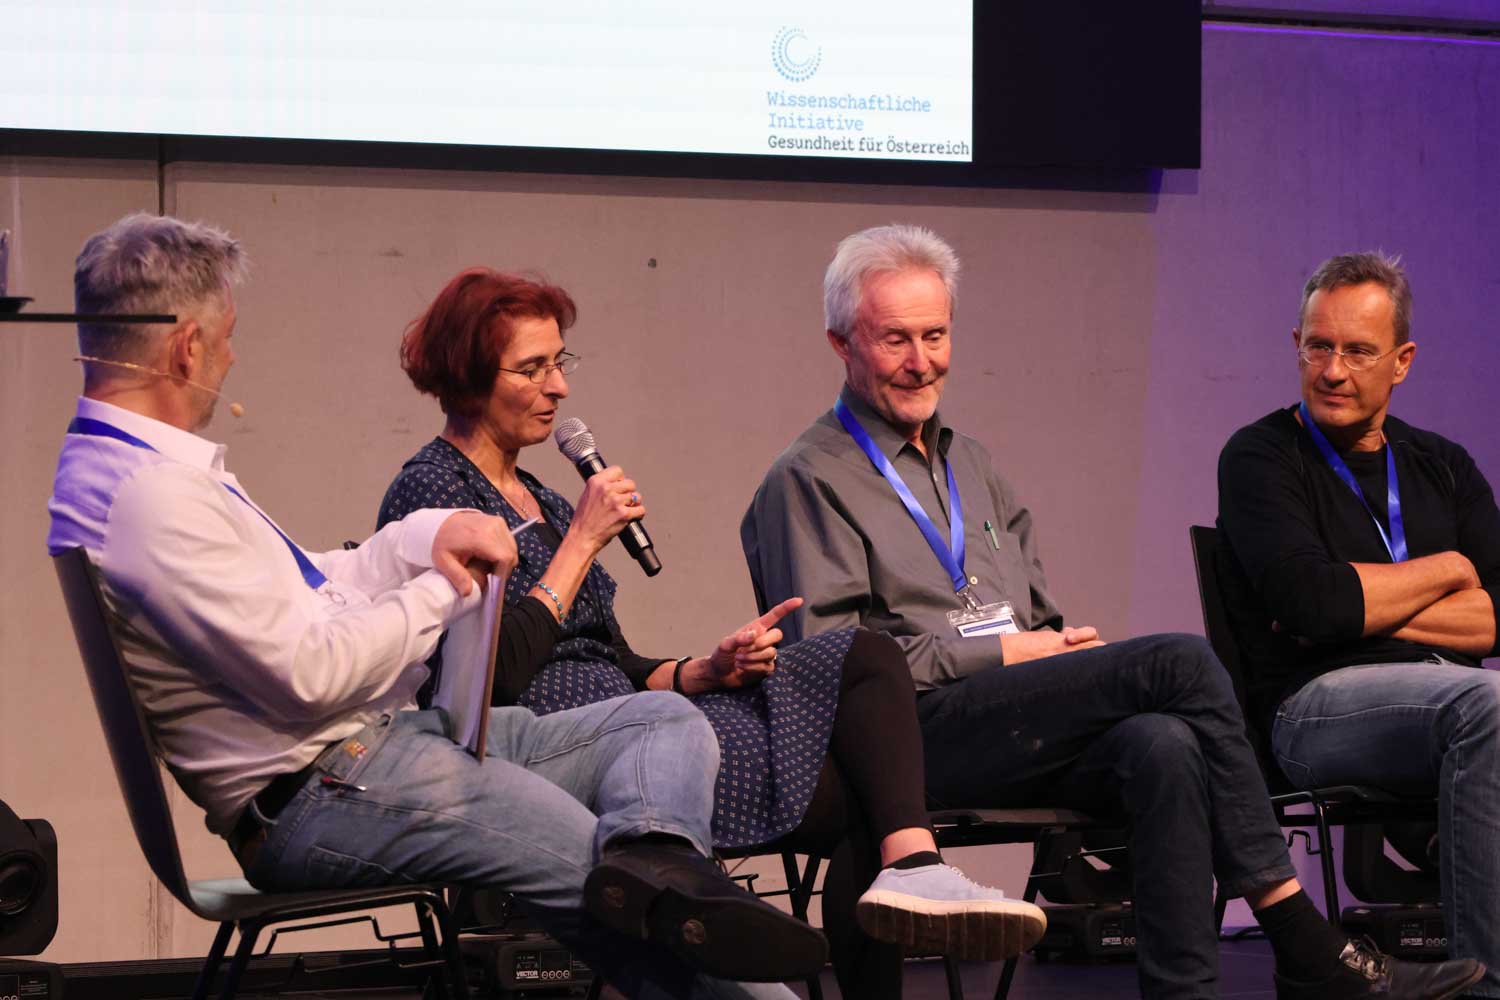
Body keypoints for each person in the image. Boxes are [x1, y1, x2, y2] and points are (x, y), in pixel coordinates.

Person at [45, 213, 831, 1000]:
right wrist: (447, 585)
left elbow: (315, 584)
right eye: (227, 338)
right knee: (606, 883)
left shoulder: (130, 471)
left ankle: (663, 864)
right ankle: (671, 898)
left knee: (659, 724)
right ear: (187, 348)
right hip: (322, 790)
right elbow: (312, 673)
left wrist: (426, 537)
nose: (231, 357)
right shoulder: (152, 497)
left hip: (368, 752)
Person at [739, 224, 1485, 1000]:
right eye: (896, 339)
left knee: (1163, 744)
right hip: (909, 739)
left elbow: (1032, 617)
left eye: (935, 335)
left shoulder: (971, 464)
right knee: (1180, 662)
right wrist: (1007, 655)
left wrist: (1055, 650)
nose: (920, 361)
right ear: (841, 344)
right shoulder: (808, 477)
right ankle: (1300, 935)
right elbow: (832, 668)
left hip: (1008, 718)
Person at [376, 267, 1044, 999]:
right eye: (532, 369)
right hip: (547, 737)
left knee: (863, 671)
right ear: (470, 375)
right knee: (843, 774)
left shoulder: (546, 498)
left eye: (560, 363)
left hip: (639, 710)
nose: (559, 387)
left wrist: (702, 669)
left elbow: (609, 656)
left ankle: (912, 870)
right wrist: (581, 545)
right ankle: (711, 907)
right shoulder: (434, 491)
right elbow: (493, 674)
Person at [1216, 252, 1500, 999]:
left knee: (1483, 707)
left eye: (1358, 351)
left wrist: (1368, 605)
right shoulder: (1260, 456)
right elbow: (1314, 605)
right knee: (1488, 706)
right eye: (1319, 346)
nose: (1333, 371)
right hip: (1311, 710)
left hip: (1444, 699)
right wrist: (1451, 569)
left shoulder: (1443, 464)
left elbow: (1499, 613)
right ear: (1297, 344)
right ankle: (1486, 988)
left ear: (1402, 361)